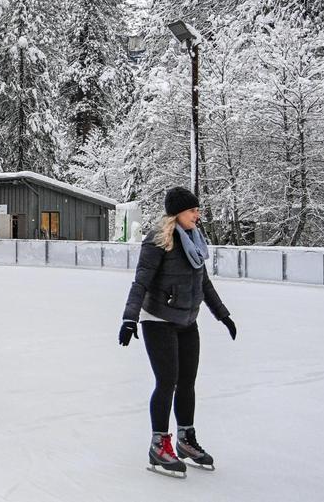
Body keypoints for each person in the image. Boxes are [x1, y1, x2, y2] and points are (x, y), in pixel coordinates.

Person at [118, 187, 236, 478]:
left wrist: (224, 315)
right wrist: (129, 318)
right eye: (192, 210)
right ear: (177, 214)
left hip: (187, 320)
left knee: (187, 382)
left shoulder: (195, 241)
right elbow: (140, 282)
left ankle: (185, 439)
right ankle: (159, 444)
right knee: (167, 381)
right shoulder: (158, 240)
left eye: (197, 210)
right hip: (157, 319)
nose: (198, 215)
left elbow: (204, 284)